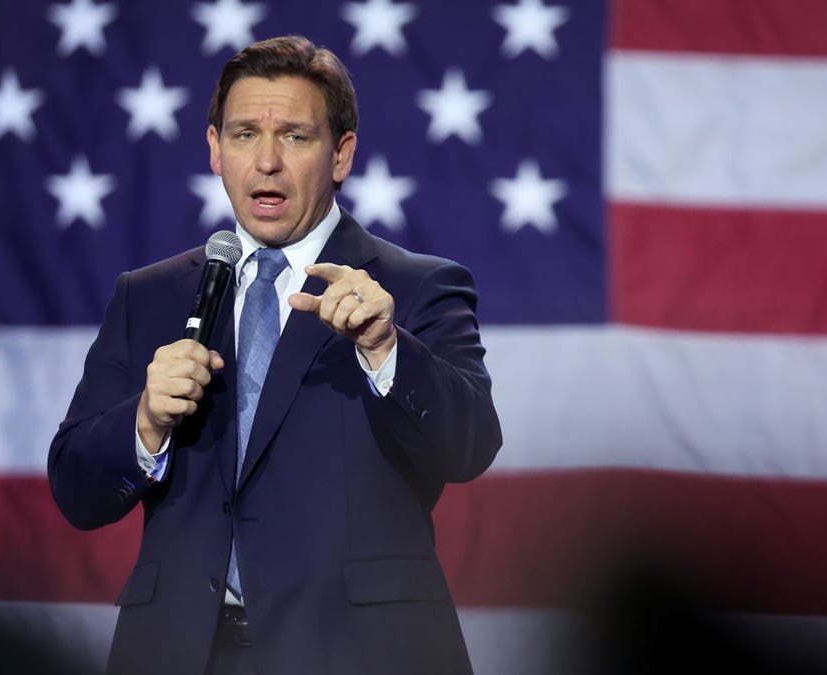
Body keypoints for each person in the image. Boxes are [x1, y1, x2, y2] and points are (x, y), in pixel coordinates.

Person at [48, 35, 502, 675]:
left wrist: (386, 349)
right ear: (213, 149)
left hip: (358, 656)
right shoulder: (147, 296)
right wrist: (145, 424)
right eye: (242, 135)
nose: (266, 162)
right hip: (181, 655)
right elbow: (75, 489)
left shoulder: (413, 288)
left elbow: (470, 446)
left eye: (294, 136)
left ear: (341, 154)